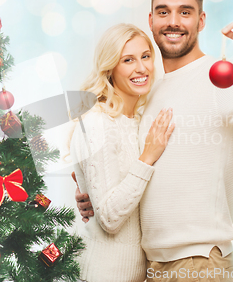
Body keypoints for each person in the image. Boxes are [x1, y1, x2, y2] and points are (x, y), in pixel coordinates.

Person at [74, 0, 233, 282]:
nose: (173, 21)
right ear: (151, 20)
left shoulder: (220, 77)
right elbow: (139, 169)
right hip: (150, 266)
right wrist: (95, 192)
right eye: (163, 12)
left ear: (201, 21)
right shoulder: (147, 93)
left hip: (200, 262)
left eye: (185, 12)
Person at [68, 23, 175, 282]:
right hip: (104, 273)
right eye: (128, 60)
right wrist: (147, 157)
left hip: (137, 273)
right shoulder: (96, 122)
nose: (141, 68)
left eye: (145, 56)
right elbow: (109, 218)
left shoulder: (136, 120)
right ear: (110, 68)